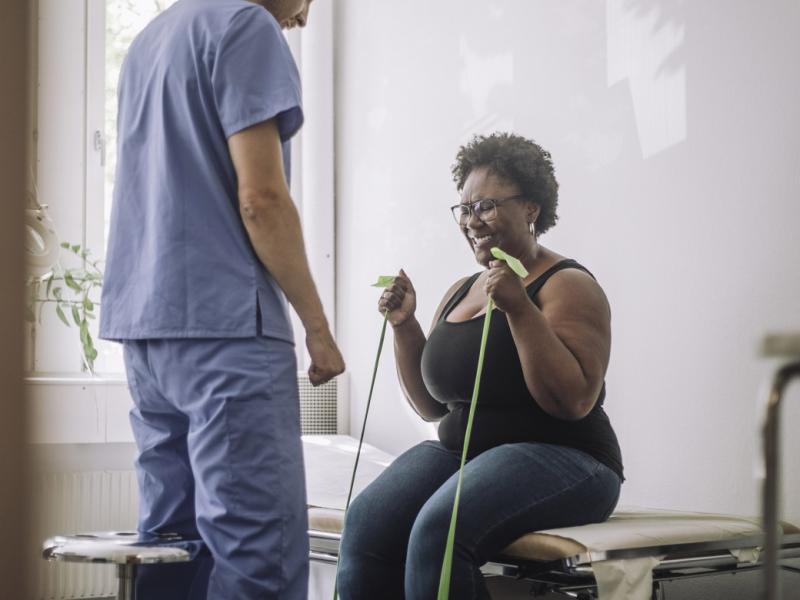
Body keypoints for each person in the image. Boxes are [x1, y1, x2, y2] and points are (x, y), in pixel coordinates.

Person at [99, 1, 344, 598]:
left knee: (170, 549)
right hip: (226, 329)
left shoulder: (150, 41)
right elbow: (261, 198)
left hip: (147, 329)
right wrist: (316, 325)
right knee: (257, 556)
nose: (305, 16)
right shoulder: (245, 25)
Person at [337, 132, 624, 600]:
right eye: (465, 209)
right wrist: (406, 326)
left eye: (487, 206)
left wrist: (520, 309)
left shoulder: (567, 284)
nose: (472, 221)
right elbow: (433, 407)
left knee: (440, 530)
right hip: (463, 453)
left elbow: (572, 401)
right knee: (367, 523)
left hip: (567, 457)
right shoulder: (461, 290)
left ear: (530, 208)